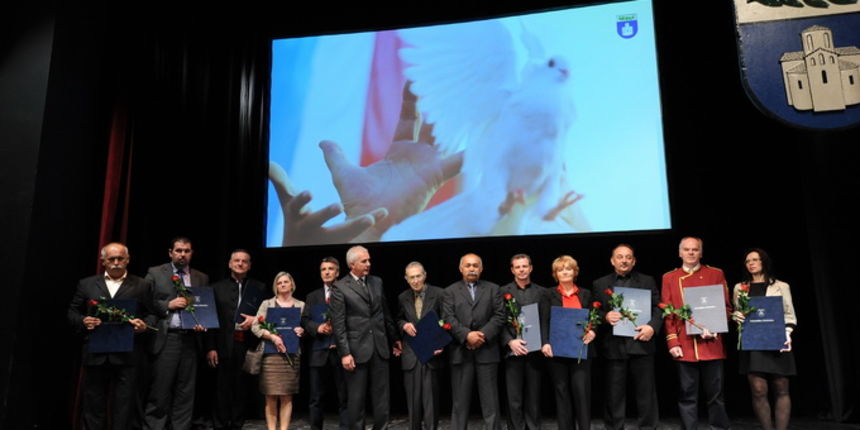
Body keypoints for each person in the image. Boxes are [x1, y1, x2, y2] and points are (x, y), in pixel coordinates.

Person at [67, 242, 153, 430]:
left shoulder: (142, 285)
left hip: (127, 354)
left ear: (127, 260)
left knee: (124, 405)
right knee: (93, 403)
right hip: (96, 353)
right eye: (111, 259)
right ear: (103, 261)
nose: (116, 262)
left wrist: (144, 325)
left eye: (120, 258)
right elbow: (72, 312)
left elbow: (152, 314)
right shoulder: (87, 283)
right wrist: (83, 320)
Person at [661, 237, 731, 430]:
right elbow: (668, 314)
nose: (691, 253)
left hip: (712, 342)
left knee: (716, 395)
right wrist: (672, 342)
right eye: (687, 249)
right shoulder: (669, 277)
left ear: (701, 252)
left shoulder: (716, 273)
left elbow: (726, 307)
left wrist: (715, 327)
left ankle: (719, 428)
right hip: (685, 344)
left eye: (695, 249)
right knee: (687, 395)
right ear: (680, 252)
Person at [592, 244, 661, 430]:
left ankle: (648, 427)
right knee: (614, 394)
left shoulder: (647, 281)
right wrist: (605, 317)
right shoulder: (600, 284)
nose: (624, 260)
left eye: (628, 257)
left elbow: (659, 308)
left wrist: (652, 328)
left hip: (642, 342)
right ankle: (615, 427)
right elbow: (594, 313)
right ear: (612, 260)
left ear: (634, 261)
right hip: (614, 346)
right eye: (620, 257)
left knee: (646, 393)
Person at [330, 245, 399, 430]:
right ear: (352, 264)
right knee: (356, 399)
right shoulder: (340, 287)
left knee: (382, 398)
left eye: (369, 260)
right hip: (355, 349)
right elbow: (338, 324)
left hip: (379, 346)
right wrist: (345, 353)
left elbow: (385, 313)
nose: (369, 264)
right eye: (364, 261)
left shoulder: (377, 282)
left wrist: (394, 339)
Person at [144, 237, 209, 430]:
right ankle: (154, 427)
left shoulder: (201, 277)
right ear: (170, 252)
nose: (182, 254)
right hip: (167, 339)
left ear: (192, 253)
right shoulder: (155, 273)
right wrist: (167, 305)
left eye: (186, 251)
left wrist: (202, 323)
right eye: (179, 250)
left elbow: (202, 307)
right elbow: (145, 302)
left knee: (186, 391)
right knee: (160, 390)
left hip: (190, 340)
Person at [732, 248, 797, 430]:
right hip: (752, 342)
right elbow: (737, 312)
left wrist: (787, 334)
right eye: (747, 261)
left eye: (755, 259)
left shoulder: (781, 286)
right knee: (759, 389)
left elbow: (789, 315)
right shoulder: (740, 288)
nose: (751, 263)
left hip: (777, 339)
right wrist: (736, 315)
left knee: (781, 387)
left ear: (764, 262)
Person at [205, 249, 268, 430]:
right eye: (237, 261)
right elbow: (211, 319)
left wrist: (255, 320)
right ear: (230, 264)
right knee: (221, 386)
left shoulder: (259, 287)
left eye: (244, 261)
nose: (240, 264)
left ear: (249, 265)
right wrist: (211, 347)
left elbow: (267, 315)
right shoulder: (216, 288)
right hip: (222, 344)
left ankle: (237, 423)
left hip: (247, 343)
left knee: (242, 387)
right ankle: (220, 423)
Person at [442, 253, 505, 430]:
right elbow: (448, 318)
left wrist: (481, 335)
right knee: (460, 403)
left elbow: (500, 316)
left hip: (487, 351)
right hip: (460, 352)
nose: (472, 268)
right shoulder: (450, 291)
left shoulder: (493, 289)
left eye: (475, 265)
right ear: (461, 268)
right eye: (468, 265)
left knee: (491, 402)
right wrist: (467, 335)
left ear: (481, 268)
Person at [540, 255, 595, 430]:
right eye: (560, 269)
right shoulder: (548, 294)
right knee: (561, 393)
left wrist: (593, 331)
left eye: (568, 268)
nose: (565, 272)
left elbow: (595, 318)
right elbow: (544, 320)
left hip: (581, 350)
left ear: (575, 271)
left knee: (582, 393)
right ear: (555, 274)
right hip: (557, 350)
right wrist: (545, 342)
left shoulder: (586, 294)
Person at [252, 272, 305, 430]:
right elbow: (255, 326)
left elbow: (306, 327)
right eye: (279, 282)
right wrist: (272, 337)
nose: (282, 284)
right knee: (270, 396)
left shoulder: (301, 305)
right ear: (276, 286)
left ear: (291, 284)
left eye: (285, 282)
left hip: (291, 355)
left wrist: (302, 330)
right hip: (270, 356)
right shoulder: (267, 304)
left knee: (287, 396)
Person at [301, 256, 350, 430]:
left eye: (330, 269)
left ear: (337, 272)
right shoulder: (312, 296)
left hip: (341, 351)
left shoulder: (346, 292)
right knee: (316, 397)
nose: (327, 272)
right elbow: (305, 321)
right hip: (318, 352)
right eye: (323, 269)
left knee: (344, 396)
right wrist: (318, 327)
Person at [396, 261, 445, 430]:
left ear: (424, 276)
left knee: (431, 401)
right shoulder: (402, 297)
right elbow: (398, 319)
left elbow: (447, 320)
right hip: (411, 354)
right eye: (411, 278)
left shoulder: (439, 294)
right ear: (406, 279)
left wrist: (441, 342)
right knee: (413, 402)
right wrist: (404, 325)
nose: (415, 280)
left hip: (432, 353)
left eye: (418, 276)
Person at [499, 253, 546, 430]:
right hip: (513, 351)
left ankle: (534, 427)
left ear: (531, 268)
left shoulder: (541, 292)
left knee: (534, 395)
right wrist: (510, 341)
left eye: (524, 266)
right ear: (512, 270)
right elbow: (499, 321)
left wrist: (543, 342)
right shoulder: (502, 292)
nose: (521, 270)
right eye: (517, 267)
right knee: (514, 397)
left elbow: (544, 319)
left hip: (535, 350)